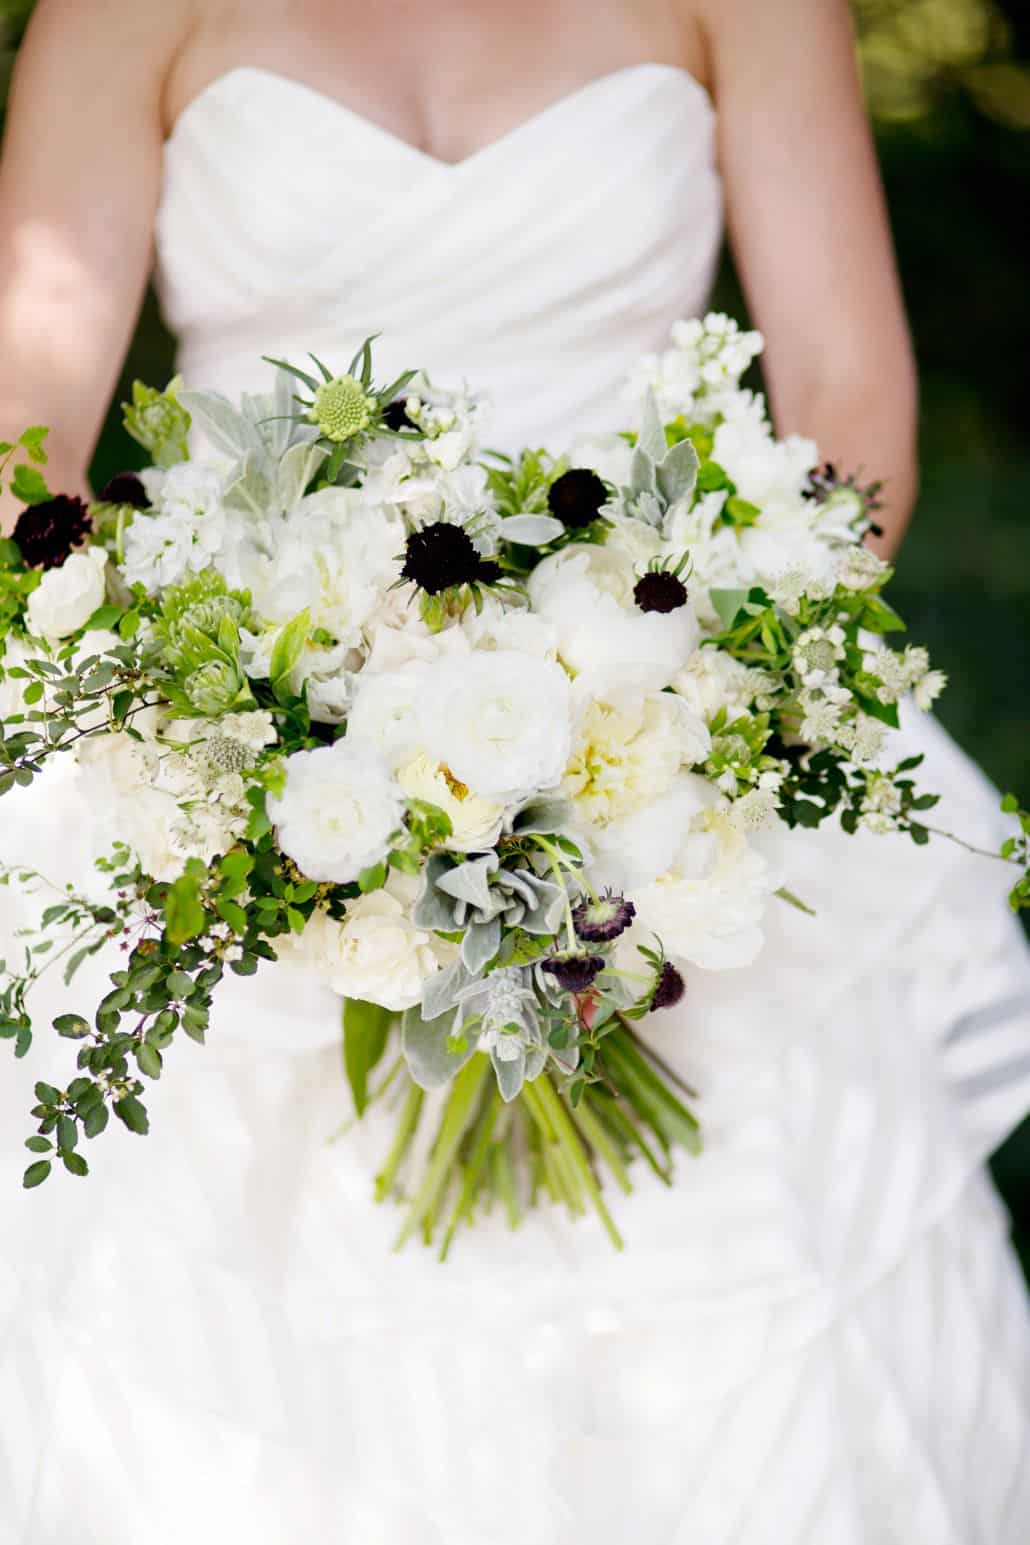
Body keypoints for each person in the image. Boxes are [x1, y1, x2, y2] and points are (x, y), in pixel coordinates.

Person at [1, 1, 1028, 1539]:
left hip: (667, 720)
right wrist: (225, 735)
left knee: (737, 1366)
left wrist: (675, 730)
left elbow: (842, 408)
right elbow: (26, 447)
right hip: (246, 775)